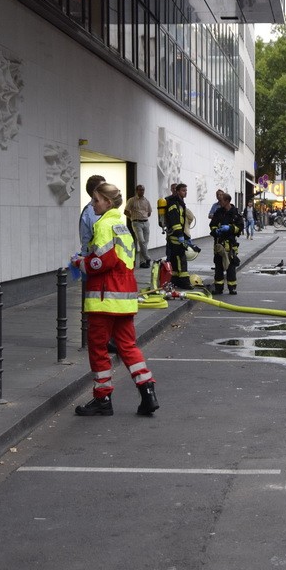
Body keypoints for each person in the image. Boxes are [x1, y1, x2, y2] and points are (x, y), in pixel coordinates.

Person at [72, 183, 159, 417]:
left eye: (96, 200)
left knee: (98, 348)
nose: (92, 204)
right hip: (125, 297)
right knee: (128, 346)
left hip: (105, 298)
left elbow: (102, 262)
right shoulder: (122, 224)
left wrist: (81, 262)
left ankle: (103, 398)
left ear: (107, 203)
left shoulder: (103, 224)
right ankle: (147, 390)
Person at [164, 182, 197, 289]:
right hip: (176, 236)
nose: (185, 192)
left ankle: (175, 281)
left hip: (177, 236)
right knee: (180, 259)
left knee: (175, 259)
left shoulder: (179, 203)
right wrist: (180, 235)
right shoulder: (174, 204)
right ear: (177, 191)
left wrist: (185, 236)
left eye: (186, 190)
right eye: (183, 190)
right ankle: (184, 282)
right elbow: (175, 221)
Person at [210, 193, 243, 295]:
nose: (219, 203)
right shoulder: (218, 212)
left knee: (231, 268)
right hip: (219, 244)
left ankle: (232, 287)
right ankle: (218, 288)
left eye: (221, 201)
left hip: (230, 245)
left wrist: (230, 228)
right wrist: (216, 231)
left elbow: (240, 227)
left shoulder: (235, 213)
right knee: (218, 267)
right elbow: (212, 225)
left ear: (227, 201)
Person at [124, 184, 153, 268]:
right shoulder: (132, 200)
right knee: (141, 241)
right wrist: (132, 217)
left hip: (146, 222)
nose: (141, 191)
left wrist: (144, 216)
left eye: (143, 190)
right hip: (137, 223)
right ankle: (148, 258)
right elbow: (126, 211)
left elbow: (150, 212)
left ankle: (142, 262)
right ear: (136, 191)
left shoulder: (146, 201)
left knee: (145, 243)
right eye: (140, 190)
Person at [79, 174, 107, 253]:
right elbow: (101, 236)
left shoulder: (98, 209)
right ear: (95, 192)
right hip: (94, 259)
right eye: (103, 187)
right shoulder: (93, 210)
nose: (107, 189)